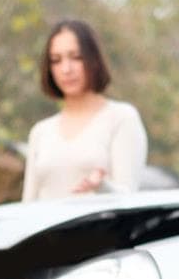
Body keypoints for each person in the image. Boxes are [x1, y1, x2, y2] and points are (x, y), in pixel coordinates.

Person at [22, 19, 147, 201]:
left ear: (93, 60)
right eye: (56, 60)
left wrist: (101, 187)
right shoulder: (40, 132)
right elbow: (28, 206)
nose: (66, 69)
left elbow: (129, 199)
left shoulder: (121, 118)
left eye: (76, 57)